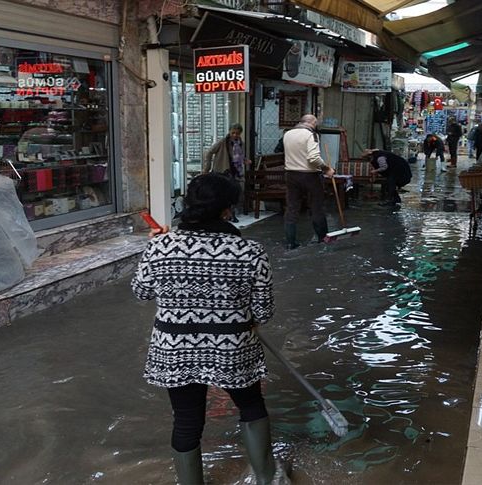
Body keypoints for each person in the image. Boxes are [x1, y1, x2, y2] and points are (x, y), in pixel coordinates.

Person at [131, 173, 289, 485]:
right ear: (228, 210)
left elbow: (141, 291)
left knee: (187, 419)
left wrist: (154, 248)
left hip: (175, 349)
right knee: (251, 405)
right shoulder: (251, 252)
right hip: (232, 347)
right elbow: (263, 312)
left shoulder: (161, 246)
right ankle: (268, 477)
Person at [282, 114, 334, 249]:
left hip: (291, 175)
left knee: (292, 208)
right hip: (310, 176)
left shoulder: (287, 134)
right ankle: (323, 238)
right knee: (316, 207)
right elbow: (313, 158)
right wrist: (326, 168)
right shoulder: (311, 135)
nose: (316, 126)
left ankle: (290, 242)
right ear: (311, 122)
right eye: (315, 123)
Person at [203, 123, 250, 223]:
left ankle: (231, 213)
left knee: (232, 194)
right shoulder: (223, 142)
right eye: (233, 133)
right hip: (222, 171)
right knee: (222, 194)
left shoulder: (241, 143)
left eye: (237, 133)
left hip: (235, 172)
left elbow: (239, 157)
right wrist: (207, 168)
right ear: (229, 132)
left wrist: (245, 160)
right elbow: (209, 152)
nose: (235, 135)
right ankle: (220, 214)